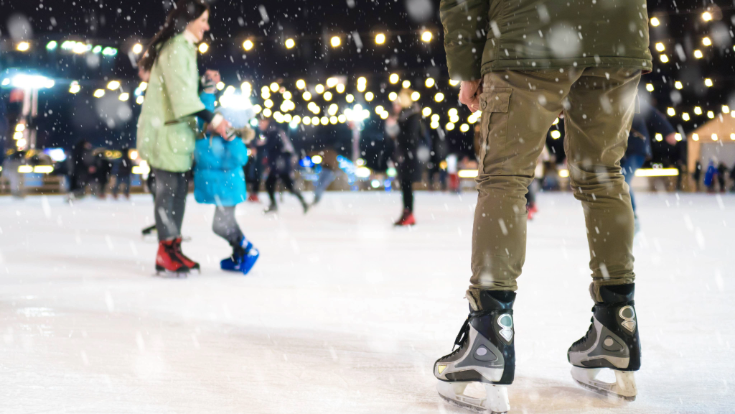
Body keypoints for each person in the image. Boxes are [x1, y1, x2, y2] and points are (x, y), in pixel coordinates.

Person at [434, 0, 652, 410]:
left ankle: (489, 336)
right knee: (604, 174)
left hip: (528, 33)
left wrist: (467, 68)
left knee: (504, 178)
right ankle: (617, 325)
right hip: (617, 31)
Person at [136, 0, 231, 276]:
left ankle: (172, 248)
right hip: (165, 133)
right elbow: (182, 99)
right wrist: (214, 119)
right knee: (168, 193)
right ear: (189, 21)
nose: (207, 27)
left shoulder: (184, 48)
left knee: (177, 192)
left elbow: (183, 90)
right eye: (203, 20)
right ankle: (166, 251)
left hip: (176, 134)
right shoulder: (177, 48)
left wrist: (204, 85)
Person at [193, 70, 259, 274]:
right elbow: (204, 112)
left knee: (221, 225)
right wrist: (208, 91)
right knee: (224, 223)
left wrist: (231, 139)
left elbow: (241, 158)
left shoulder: (232, 142)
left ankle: (247, 249)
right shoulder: (207, 134)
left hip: (228, 188)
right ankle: (239, 252)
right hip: (220, 188)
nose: (215, 122)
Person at [386, 89, 422, 226]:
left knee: (406, 186)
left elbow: (411, 138)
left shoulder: (412, 116)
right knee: (405, 186)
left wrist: (395, 128)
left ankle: (408, 214)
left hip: (409, 157)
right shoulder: (405, 116)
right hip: (404, 156)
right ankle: (407, 213)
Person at [260, 117, 308, 214]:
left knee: (274, 183)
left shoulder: (273, 132)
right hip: (279, 164)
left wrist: (260, 145)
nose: (260, 125)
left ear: (267, 122)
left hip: (280, 164)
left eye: (261, 122)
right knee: (276, 184)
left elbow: (273, 147)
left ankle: (274, 205)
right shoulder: (273, 131)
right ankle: (302, 202)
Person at [621, 115, 651, 233]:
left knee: (623, 179)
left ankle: (632, 216)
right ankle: (626, 215)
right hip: (623, 152)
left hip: (637, 151)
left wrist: (668, 130)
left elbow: (652, 113)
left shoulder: (631, 108)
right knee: (619, 180)